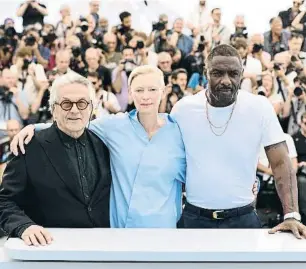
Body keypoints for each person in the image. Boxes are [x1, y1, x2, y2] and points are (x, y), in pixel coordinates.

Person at [11, 65, 259, 230]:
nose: (146, 95)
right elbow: (75, 121)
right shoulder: (113, 126)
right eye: (139, 90)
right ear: (131, 94)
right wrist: (35, 127)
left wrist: (241, 181)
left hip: (164, 230)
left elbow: (203, 168)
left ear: (163, 91)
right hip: (119, 230)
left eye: (152, 89)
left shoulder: (179, 131)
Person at [171, 44, 306, 238]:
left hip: (243, 218)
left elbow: (281, 162)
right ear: (205, 72)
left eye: (233, 74)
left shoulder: (259, 107)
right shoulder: (183, 109)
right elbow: (172, 162)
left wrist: (291, 215)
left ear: (242, 74)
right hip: (194, 217)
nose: (226, 81)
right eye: (217, 73)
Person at [0, 73, 112, 246]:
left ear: (91, 108)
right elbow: (4, 201)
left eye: (82, 103)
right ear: (53, 108)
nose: (75, 110)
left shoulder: (103, 144)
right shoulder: (28, 146)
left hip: (99, 248)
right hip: (49, 249)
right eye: (66, 104)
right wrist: (24, 226)